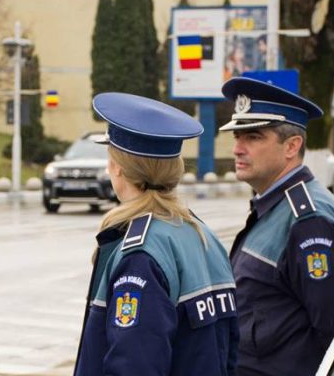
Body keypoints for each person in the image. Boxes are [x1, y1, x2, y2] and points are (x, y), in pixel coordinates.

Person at [74, 92, 239, 376]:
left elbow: (133, 366)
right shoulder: (200, 233)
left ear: (118, 168)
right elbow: (231, 349)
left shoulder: (141, 253)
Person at [218, 77, 334, 376]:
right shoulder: (274, 206)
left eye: (253, 137)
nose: (238, 149)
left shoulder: (309, 221)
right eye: (237, 137)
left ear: (292, 146)